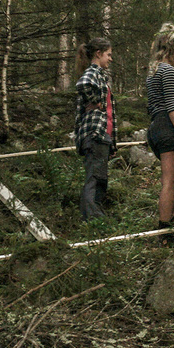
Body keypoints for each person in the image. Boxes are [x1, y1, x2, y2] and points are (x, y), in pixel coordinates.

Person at [145, 23, 174, 237]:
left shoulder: (153, 70)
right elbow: (172, 104)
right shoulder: (168, 70)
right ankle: (164, 230)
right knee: (170, 181)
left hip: (156, 125)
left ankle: (168, 218)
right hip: (166, 126)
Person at [73, 37, 116, 221]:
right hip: (95, 132)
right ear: (98, 54)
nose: (110, 59)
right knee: (95, 178)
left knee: (99, 177)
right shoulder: (94, 72)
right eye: (108, 55)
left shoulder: (100, 75)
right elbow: (83, 84)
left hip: (102, 134)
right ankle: (93, 218)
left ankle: (93, 216)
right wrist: (95, 100)